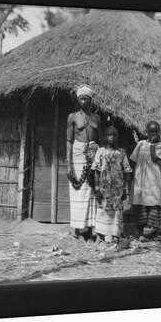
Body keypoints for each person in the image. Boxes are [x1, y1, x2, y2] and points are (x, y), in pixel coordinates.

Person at [66, 85, 102, 240]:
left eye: (85, 99)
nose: (82, 101)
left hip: (93, 151)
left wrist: (99, 157)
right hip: (78, 153)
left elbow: (99, 139)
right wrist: (69, 164)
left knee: (92, 187)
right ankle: (76, 227)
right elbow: (68, 140)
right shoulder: (72, 117)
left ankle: (91, 227)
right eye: (80, 98)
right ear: (78, 100)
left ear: (90, 100)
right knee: (78, 189)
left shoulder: (96, 118)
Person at [91, 126, 133, 245]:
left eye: (114, 135)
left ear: (117, 137)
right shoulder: (101, 151)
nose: (112, 137)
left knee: (117, 211)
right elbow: (96, 170)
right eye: (109, 135)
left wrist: (125, 188)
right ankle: (100, 235)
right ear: (105, 137)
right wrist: (97, 188)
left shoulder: (121, 152)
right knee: (102, 210)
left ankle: (115, 235)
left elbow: (127, 170)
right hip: (104, 188)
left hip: (118, 188)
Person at [129, 121, 161, 242]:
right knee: (140, 206)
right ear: (147, 132)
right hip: (140, 179)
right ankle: (141, 234)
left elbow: (156, 158)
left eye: (156, 131)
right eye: (151, 131)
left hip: (153, 181)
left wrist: (151, 145)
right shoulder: (140, 144)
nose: (153, 134)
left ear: (159, 132)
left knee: (154, 206)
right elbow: (134, 159)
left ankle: (154, 234)